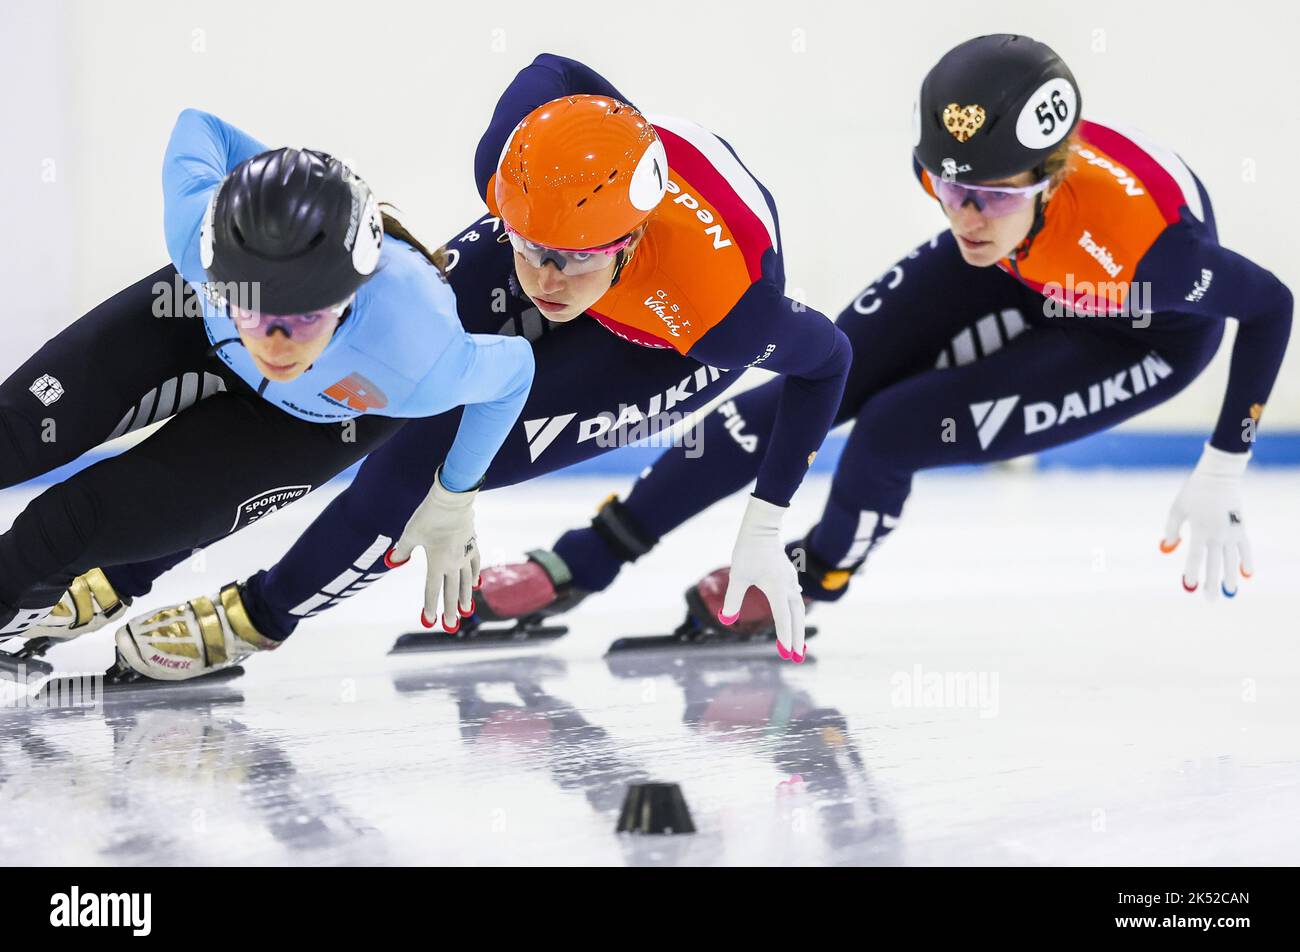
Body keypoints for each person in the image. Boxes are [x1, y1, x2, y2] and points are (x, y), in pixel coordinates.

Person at [466, 33, 1294, 633]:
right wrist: (988, 215)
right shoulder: (981, 203)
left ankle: (814, 575)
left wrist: (1226, 461)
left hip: (1140, 331)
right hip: (1017, 270)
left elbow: (1271, 305)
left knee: (894, 432)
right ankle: (582, 560)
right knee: (800, 397)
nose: (963, 212)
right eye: (945, 185)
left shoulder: (1154, 252)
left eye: (991, 195)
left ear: (1049, 176)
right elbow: (973, 216)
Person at [52, 53, 852, 670]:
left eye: (571, 263)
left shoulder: (725, 314)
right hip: (583, 213)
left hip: (662, 340)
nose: (545, 282)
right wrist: (558, 214)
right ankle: (128, 565)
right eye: (531, 252)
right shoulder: (513, 173)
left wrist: (767, 521)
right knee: (363, 386)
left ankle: (260, 615)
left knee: (425, 462)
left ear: (631, 239)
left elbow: (829, 362)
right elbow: (555, 72)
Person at [0, 108, 535, 679]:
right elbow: (198, 124)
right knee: (12, 435)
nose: (275, 343)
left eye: (305, 319)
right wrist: (279, 191)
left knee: (64, 528)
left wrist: (455, 495)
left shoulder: (415, 348)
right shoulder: (197, 235)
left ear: (350, 295)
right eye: (250, 308)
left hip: (316, 422)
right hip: (190, 328)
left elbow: (513, 372)